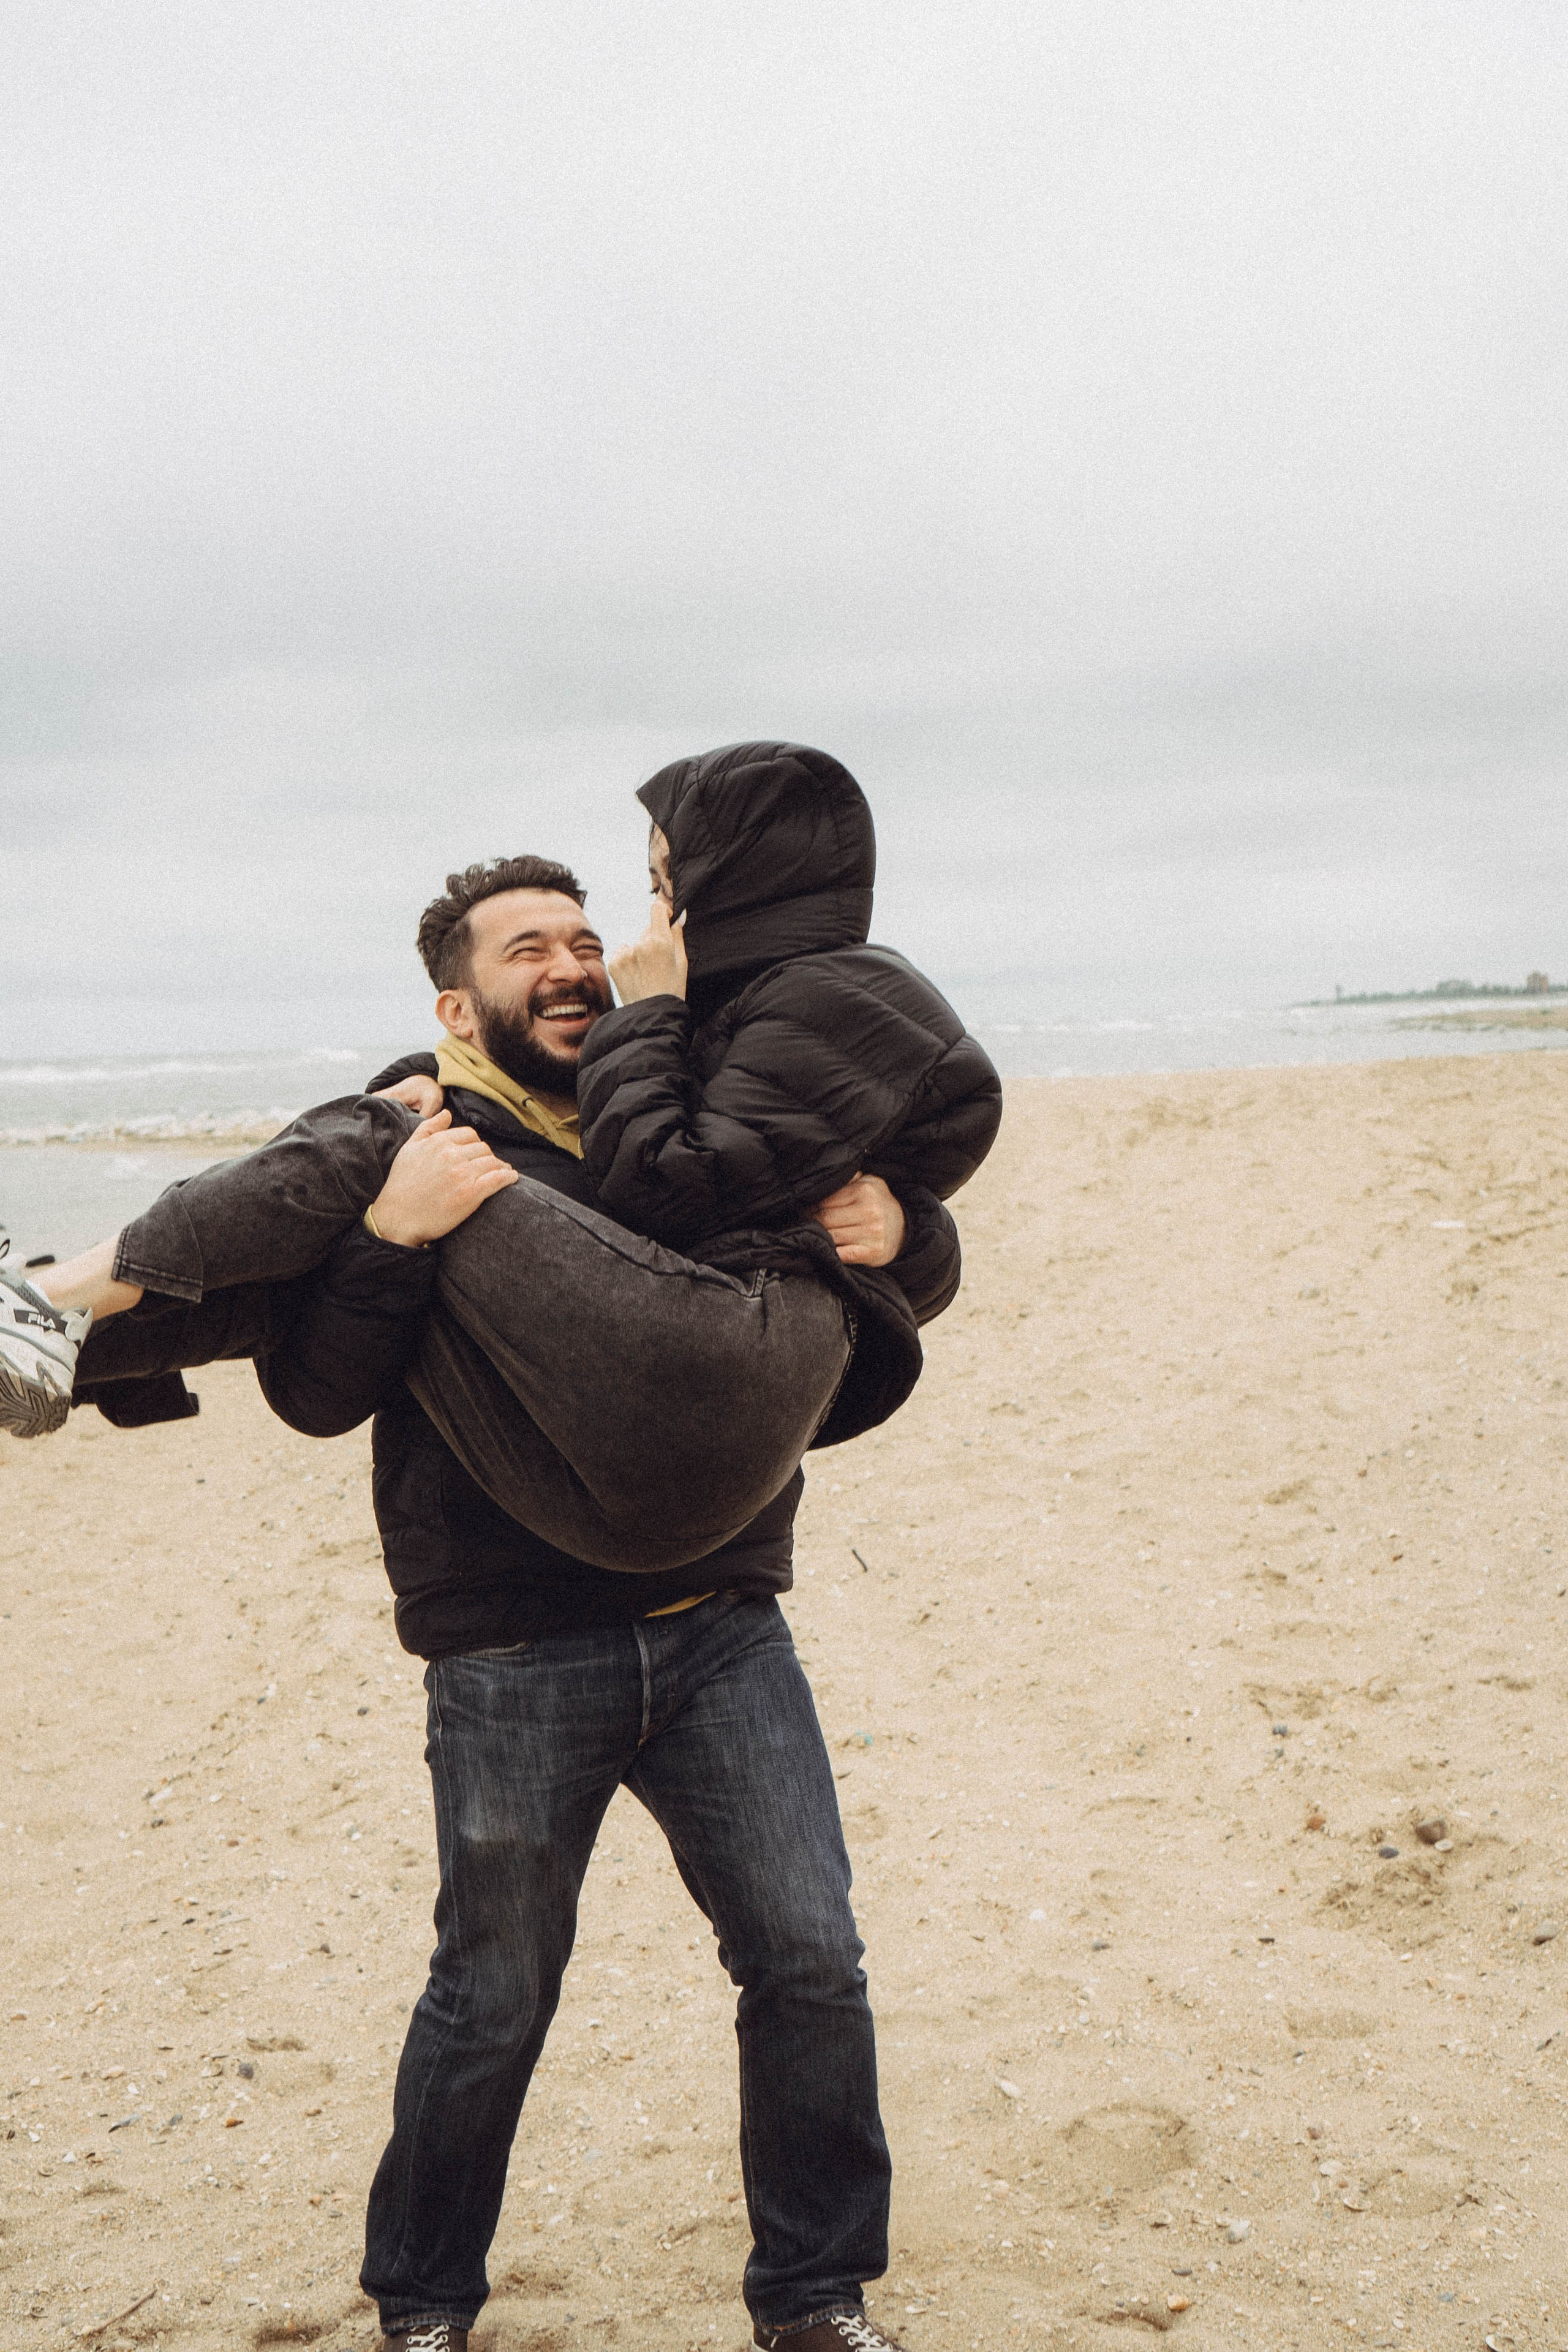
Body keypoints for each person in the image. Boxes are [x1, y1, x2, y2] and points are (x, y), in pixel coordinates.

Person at [0, 747, 1001, 1586]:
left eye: (589, 941)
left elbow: (800, 1188)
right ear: (458, 1012)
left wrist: (914, 1230)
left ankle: (55, 1306)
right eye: (527, 951)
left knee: (387, 1147)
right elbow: (318, 1397)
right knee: (379, 1170)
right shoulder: (434, 1117)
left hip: (717, 1594)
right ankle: (62, 1332)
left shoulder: (669, 1070)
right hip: (511, 1622)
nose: (574, 966)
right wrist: (392, 1239)